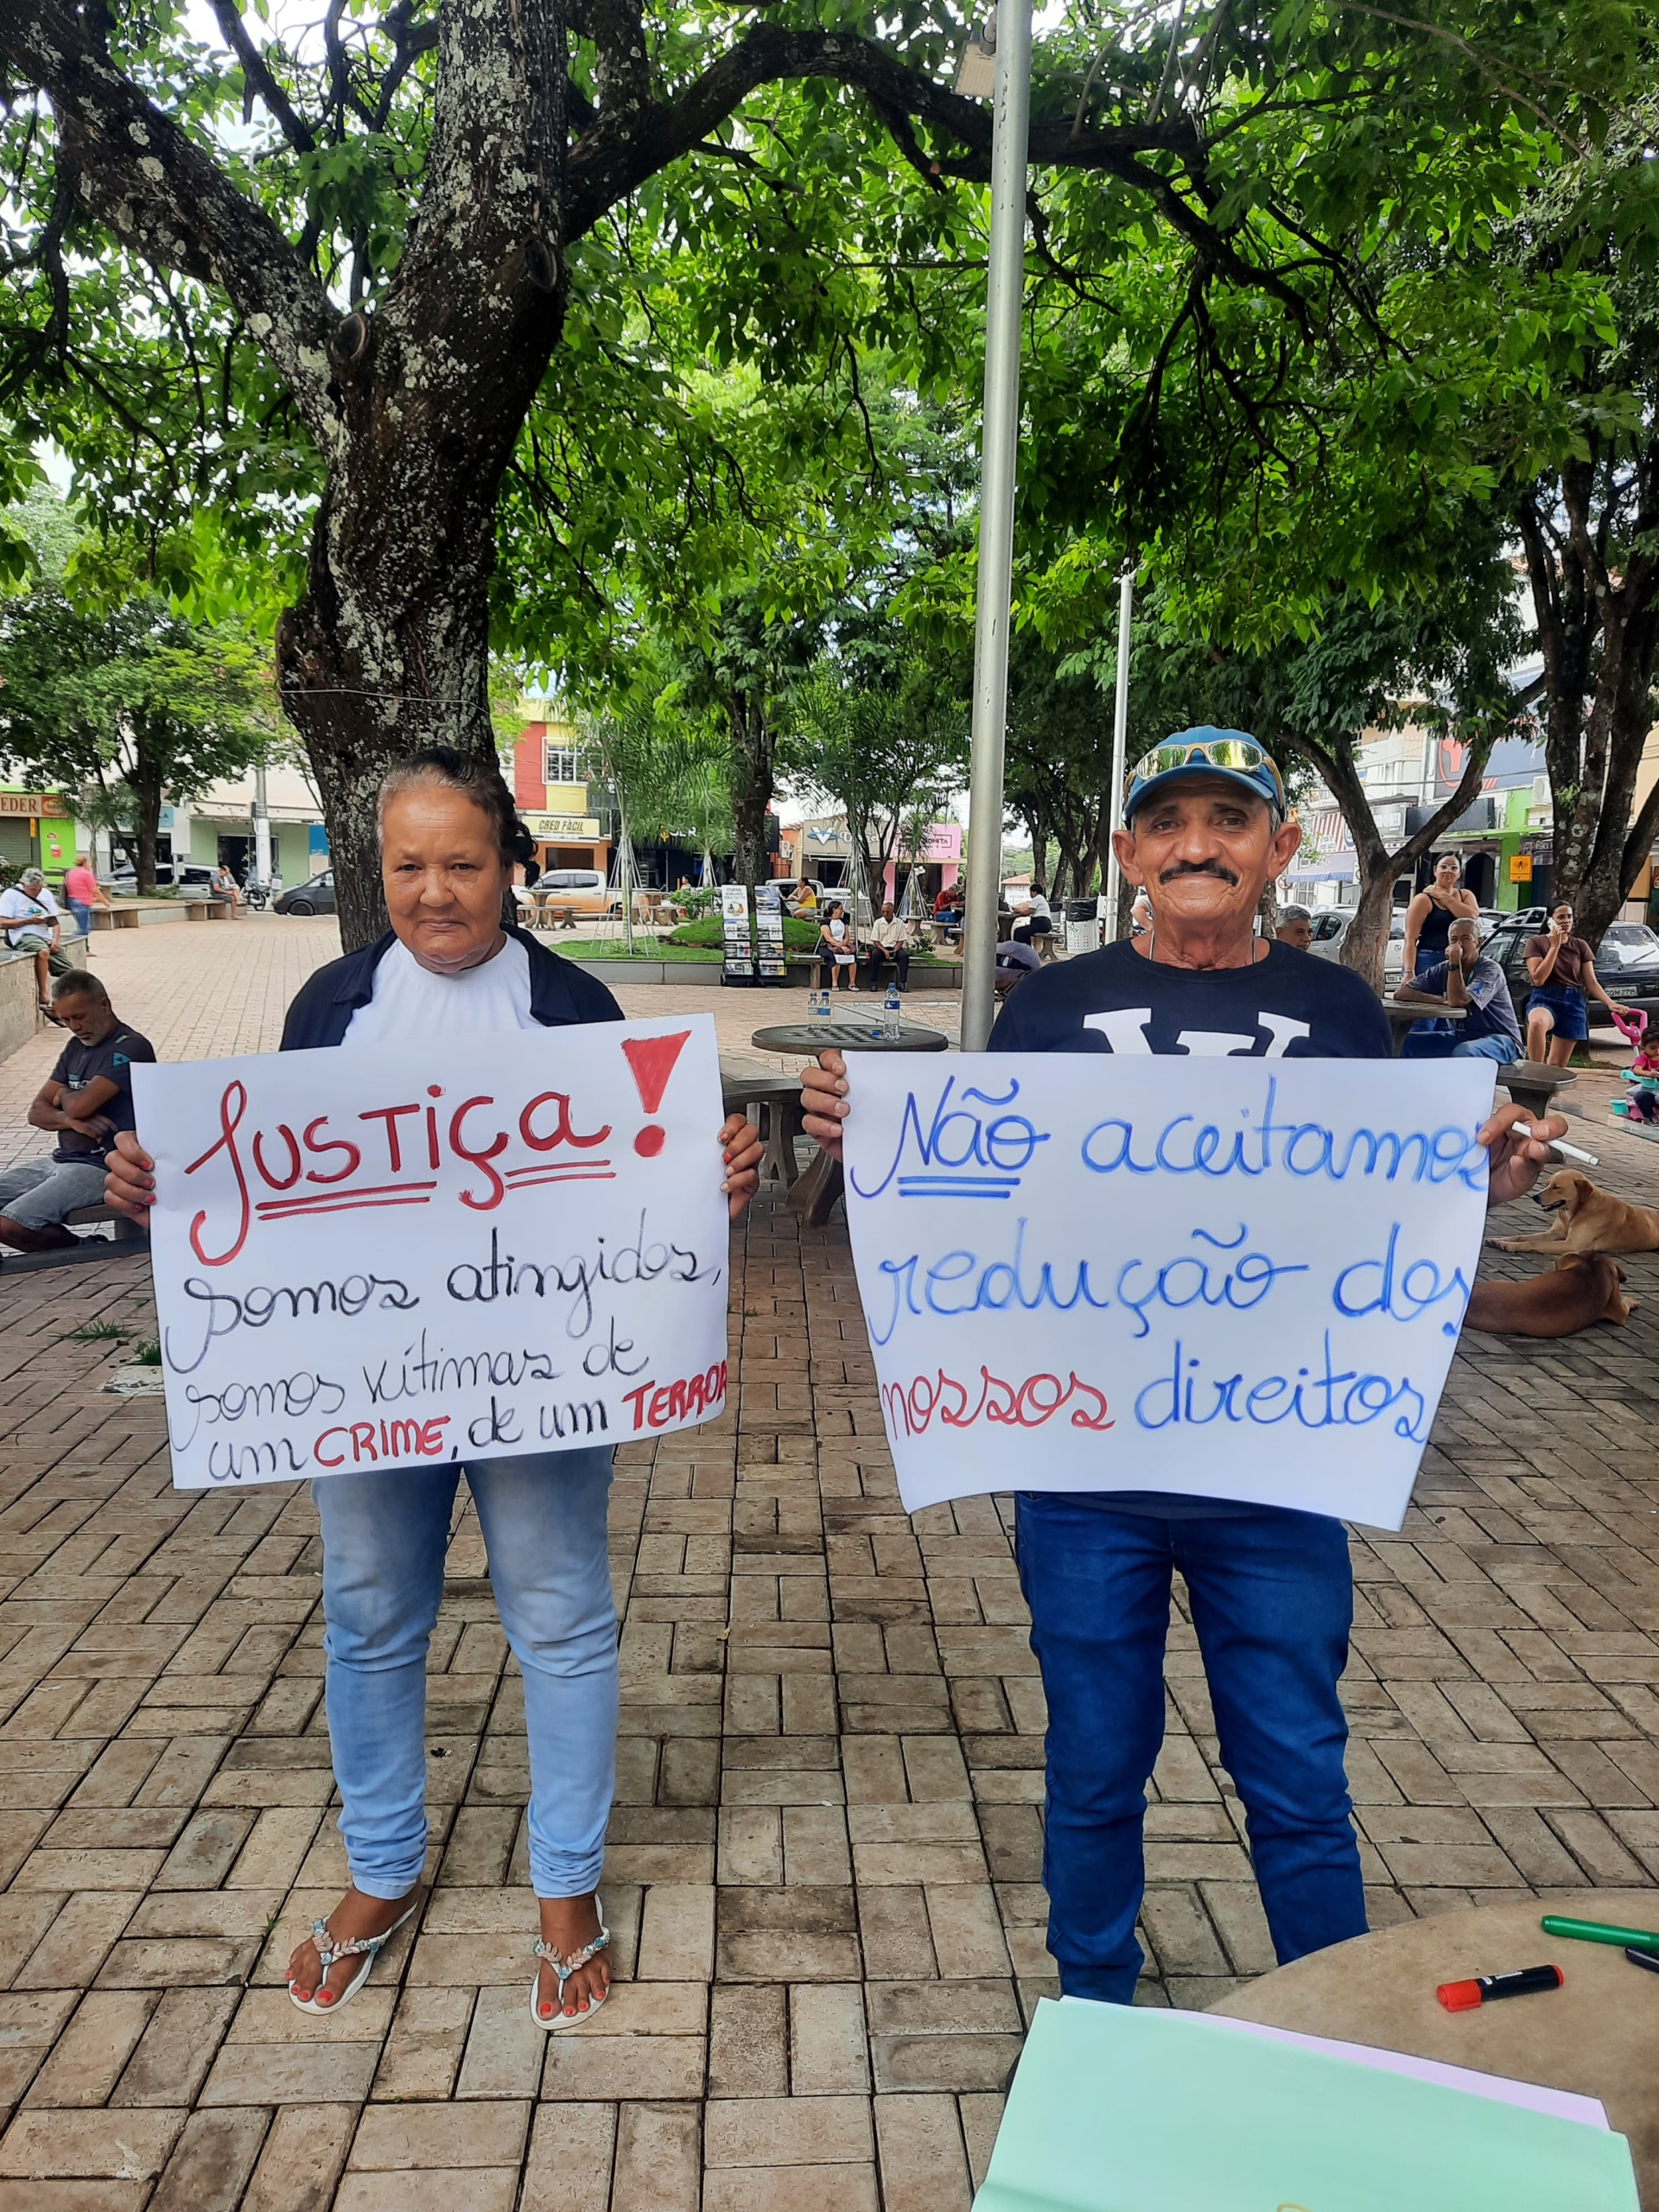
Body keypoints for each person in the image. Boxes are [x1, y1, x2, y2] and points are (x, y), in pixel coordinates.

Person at [801, 725, 1565, 2005]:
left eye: (1228, 819)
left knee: (1299, 1776)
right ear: (1129, 853)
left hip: (1277, 1468)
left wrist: (1473, 1184)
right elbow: (982, 1189)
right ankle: (1094, 2022)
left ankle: (1334, 2033)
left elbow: (1377, 1217)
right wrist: (863, 1134)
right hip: (1084, 1469)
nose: (1196, 844)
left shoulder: (1336, 1012)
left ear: (1275, 850)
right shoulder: (1047, 1006)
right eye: (1168, 822)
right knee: (1095, 1765)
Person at [106, 748, 763, 2029]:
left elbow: (639, 1193)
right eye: (408, 865)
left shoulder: (576, 1011)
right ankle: (382, 1872)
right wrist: (159, 1197)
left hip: (541, 1388)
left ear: (511, 865)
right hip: (366, 1390)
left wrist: (710, 1185)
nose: (435, 891)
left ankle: (566, 1886)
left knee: (562, 1619)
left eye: (462, 863)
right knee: (366, 1616)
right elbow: (268, 1191)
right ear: (379, 870)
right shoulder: (329, 1007)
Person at [0, 971, 156, 1255]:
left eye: (79, 1017)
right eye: (65, 1020)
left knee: (11, 1225)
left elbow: (80, 1105)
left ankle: (87, 1249)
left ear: (104, 1005)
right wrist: (68, 1120)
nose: (74, 1027)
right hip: (60, 1160)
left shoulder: (131, 1047)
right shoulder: (75, 1047)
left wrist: (63, 1097)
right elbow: (36, 1112)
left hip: (104, 1166)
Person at [1395, 916, 1522, 1064]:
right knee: (1402, 1043)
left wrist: (1454, 962)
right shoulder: (1443, 969)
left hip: (1501, 1039)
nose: (1459, 944)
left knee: (1465, 1051)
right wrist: (1440, 1000)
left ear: (1479, 942)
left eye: (1465, 938)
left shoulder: (1490, 970)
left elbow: (1459, 1000)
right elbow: (1402, 993)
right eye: (1454, 939)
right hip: (1462, 1035)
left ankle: (1463, 1088)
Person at [1523, 903, 1623, 1066]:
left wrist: (1610, 1003)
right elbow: (1538, 979)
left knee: (1557, 1066)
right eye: (1561, 917)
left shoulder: (1580, 945)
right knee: (1537, 1023)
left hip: (1572, 1001)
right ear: (1550, 921)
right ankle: (1534, 1072)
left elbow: (1590, 981)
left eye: (1569, 916)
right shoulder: (1536, 943)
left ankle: (1550, 1091)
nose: (1566, 921)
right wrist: (1555, 946)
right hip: (1545, 997)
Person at [0, 868, 73, 1016]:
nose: (36, 893)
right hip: (22, 934)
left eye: (38, 890)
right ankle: (43, 995)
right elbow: (2, 923)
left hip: (45, 936)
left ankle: (61, 1006)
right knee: (43, 951)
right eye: (33, 890)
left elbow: (54, 922)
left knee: (70, 973)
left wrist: (55, 940)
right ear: (24, 884)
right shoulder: (11, 895)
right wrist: (29, 921)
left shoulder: (46, 894)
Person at [1402, 854, 1478, 981]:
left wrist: (1444, 896)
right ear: (1435, 870)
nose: (1448, 870)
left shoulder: (1465, 895)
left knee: (1455, 999)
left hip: (1459, 959)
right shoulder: (1423, 899)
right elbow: (1410, 939)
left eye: (1454, 868)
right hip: (1428, 958)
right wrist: (1409, 971)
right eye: (1444, 867)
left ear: (1460, 873)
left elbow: (1472, 917)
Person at [864, 900, 913, 993]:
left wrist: (894, 951)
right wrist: (884, 951)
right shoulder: (878, 923)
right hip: (881, 948)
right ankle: (873, 982)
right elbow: (876, 941)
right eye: (883, 911)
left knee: (904, 956)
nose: (885, 914)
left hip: (895, 948)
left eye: (887, 911)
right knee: (874, 955)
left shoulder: (899, 923)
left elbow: (901, 940)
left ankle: (902, 983)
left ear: (892, 911)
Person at [63, 853, 108, 942]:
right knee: (84, 929)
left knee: (84, 927)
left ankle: (85, 949)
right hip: (82, 903)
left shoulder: (70, 873)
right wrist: (105, 901)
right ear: (85, 862)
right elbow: (94, 890)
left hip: (71, 901)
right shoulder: (86, 874)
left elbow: (74, 887)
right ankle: (68, 942)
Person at [817, 900, 855, 992]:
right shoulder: (825, 922)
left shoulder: (844, 921)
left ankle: (852, 983)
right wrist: (840, 946)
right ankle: (834, 983)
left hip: (842, 945)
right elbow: (828, 938)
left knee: (853, 956)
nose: (842, 911)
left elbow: (847, 937)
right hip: (828, 946)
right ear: (834, 909)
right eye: (840, 909)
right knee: (833, 958)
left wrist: (843, 945)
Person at [1011, 879, 1055, 957]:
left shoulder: (1037, 898)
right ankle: (1027, 950)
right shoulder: (1041, 899)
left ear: (1034, 892)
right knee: (1024, 932)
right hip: (1044, 923)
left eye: (1030, 892)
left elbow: (1030, 911)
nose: (1030, 894)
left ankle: (1024, 952)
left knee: (1019, 932)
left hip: (1041, 923)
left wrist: (1018, 911)